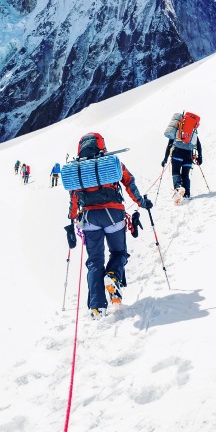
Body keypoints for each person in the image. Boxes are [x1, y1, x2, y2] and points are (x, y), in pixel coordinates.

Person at [67, 132, 152, 318]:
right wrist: (141, 202)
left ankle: (97, 307)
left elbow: (74, 196)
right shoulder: (111, 163)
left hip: (89, 218)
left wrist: (72, 217)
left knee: (94, 261)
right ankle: (113, 276)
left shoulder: (78, 169)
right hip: (113, 215)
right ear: (101, 146)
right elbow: (129, 182)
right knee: (119, 252)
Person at [162, 123, 202, 202]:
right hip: (188, 155)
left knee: (176, 173)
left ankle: (178, 188)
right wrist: (200, 157)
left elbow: (169, 145)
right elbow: (198, 145)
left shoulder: (177, 130)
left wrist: (165, 159)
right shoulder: (192, 131)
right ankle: (186, 194)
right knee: (185, 175)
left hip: (177, 154)